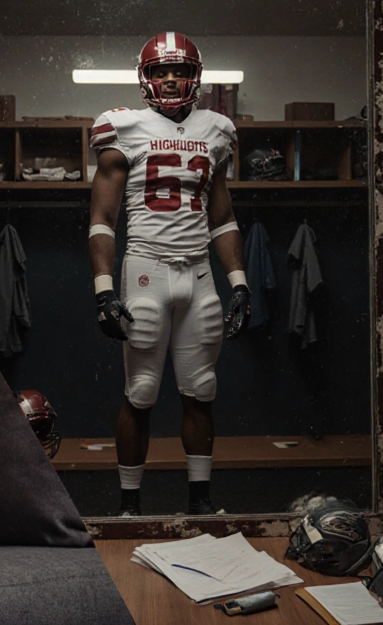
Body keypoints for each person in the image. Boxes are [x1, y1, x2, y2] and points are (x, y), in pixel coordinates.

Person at [88, 31, 250, 517]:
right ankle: (129, 506)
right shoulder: (123, 126)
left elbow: (221, 216)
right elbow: (102, 218)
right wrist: (102, 290)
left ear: (196, 77)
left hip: (199, 271)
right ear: (146, 78)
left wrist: (238, 281)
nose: (171, 78)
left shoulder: (216, 128)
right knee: (140, 392)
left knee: (202, 389)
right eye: (161, 70)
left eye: (180, 69)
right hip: (145, 270)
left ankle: (200, 501)